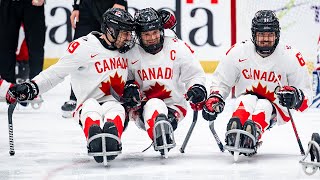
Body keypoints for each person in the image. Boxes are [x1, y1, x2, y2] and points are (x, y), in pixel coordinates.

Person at [6, 8, 136, 164]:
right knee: (90, 106)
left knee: (115, 107)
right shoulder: (84, 47)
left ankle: (113, 135)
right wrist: (32, 87)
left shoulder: (126, 50)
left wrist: (132, 87)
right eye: (125, 33)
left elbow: (137, 75)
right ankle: (93, 136)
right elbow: (56, 73)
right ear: (111, 30)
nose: (129, 37)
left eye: (130, 33)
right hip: (87, 105)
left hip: (117, 106)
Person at [202, 10, 312, 158]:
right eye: (261, 35)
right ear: (254, 35)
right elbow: (221, 81)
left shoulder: (290, 56)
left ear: (277, 35)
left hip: (276, 108)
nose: (265, 39)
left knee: (264, 105)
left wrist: (296, 97)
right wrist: (215, 97)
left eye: (270, 35)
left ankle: (253, 133)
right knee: (245, 100)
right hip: (245, 98)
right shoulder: (239, 51)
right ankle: (236, 130)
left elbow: (307, 95)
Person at [123, 8, 206, 157]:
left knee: (158, 106)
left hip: (175, 107)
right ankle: (160, 132)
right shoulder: (131, 53)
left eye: (155, 32)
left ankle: (162, 130)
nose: (152, 38)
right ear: (139, 35)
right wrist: (129, 87)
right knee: (154, 104)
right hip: (142, 109)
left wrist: (196, 87)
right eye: (146, 34)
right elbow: (124, 79)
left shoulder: (176, 46)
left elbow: (194, 74)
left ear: (161, 30)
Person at [61, 0, 128, 118]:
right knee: (81, 50)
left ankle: (121, 93)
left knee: (117, 44)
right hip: (87, 6)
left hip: (112, 4)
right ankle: (75, 97)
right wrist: (76, 6)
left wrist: (120, 1)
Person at [0, 0, 45, 84]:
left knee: (36, 45)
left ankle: (37, 86)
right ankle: (6, 88)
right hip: (8, 3)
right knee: (5, 46)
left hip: (33, 3)